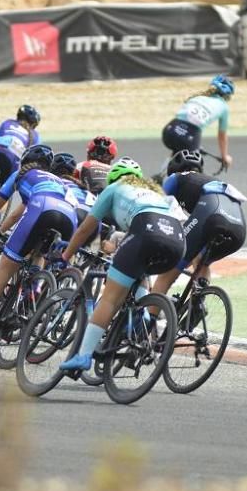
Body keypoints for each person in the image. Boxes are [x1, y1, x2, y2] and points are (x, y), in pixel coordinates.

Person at [59, 157, 186, 371]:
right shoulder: (155, 193)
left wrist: (65, 257)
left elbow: (84, 230)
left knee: (110, 297)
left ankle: (83, 356)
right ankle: (143, 317)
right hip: (177, 241)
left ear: (112, 178)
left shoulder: (115, 188)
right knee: (139, 271)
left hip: (146, 230)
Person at [0, 145, 77, 340]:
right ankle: (34, 290)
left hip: (43, 209)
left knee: (6, 266)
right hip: (69, 218)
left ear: (25, 161)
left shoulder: (23, 174)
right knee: (39, 253)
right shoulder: (58, 181)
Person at [150, 150, 247, 317]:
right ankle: (199, 298)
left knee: (166, 276)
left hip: (210, 215)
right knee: (202, 260)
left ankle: (147, 326)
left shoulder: (174, 179)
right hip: (238, 228)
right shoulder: (209, 181)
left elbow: (157, 211)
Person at [160, 75, 234, 174]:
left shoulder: (199, 96)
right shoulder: (224, 107)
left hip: (170, 130)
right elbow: (222, 136)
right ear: (227, 95)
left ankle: (160, 176)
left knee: (176, 154)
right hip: (189, 136)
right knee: (193, 169)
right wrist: (225, 156)